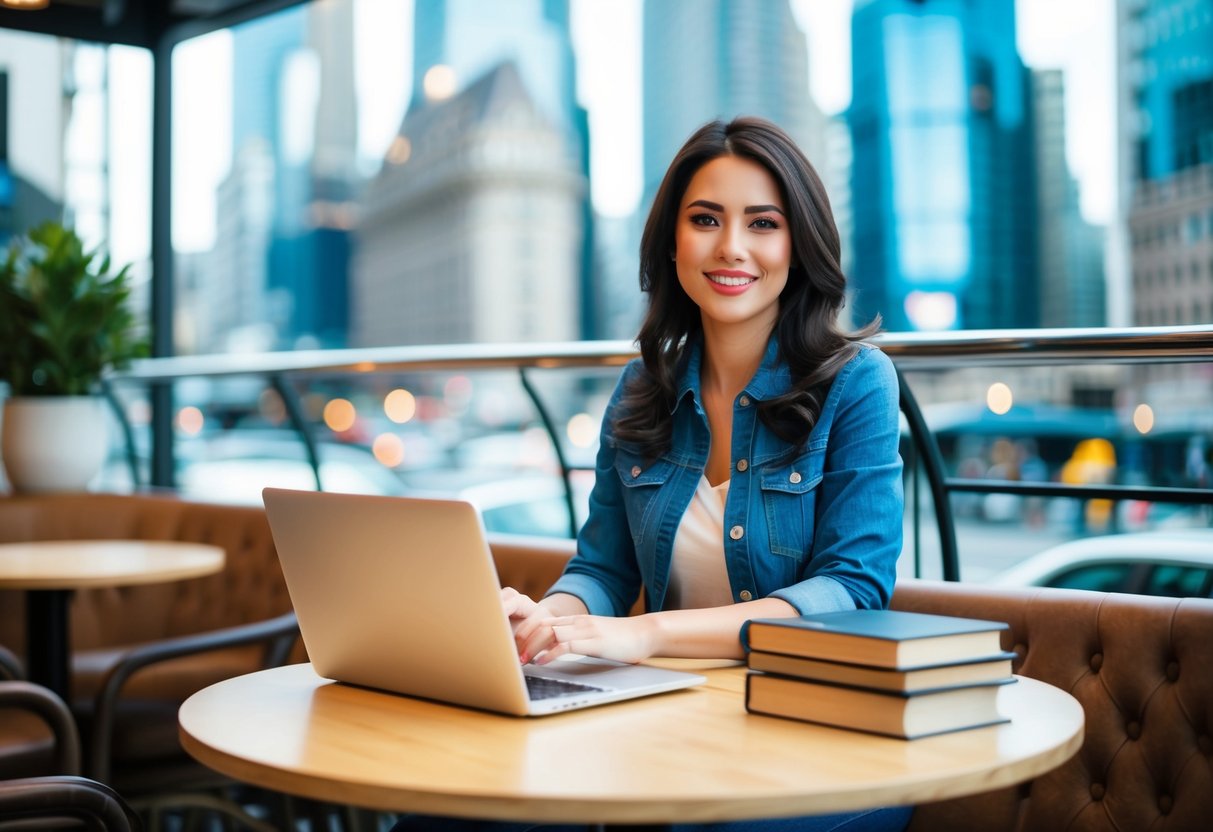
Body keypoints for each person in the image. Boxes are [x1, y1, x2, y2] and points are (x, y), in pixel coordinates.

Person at [393, 117, 910, 832]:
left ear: (799, 246)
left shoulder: (857, 383)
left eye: (762, 223)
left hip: (822, 729)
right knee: (452, 809)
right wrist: (549, 619)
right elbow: (602, 569)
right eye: (705, 219)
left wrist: (649, 635)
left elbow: (851, 591)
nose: (730, 247)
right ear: (672, 242)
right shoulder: (642, 389)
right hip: (673, 715)